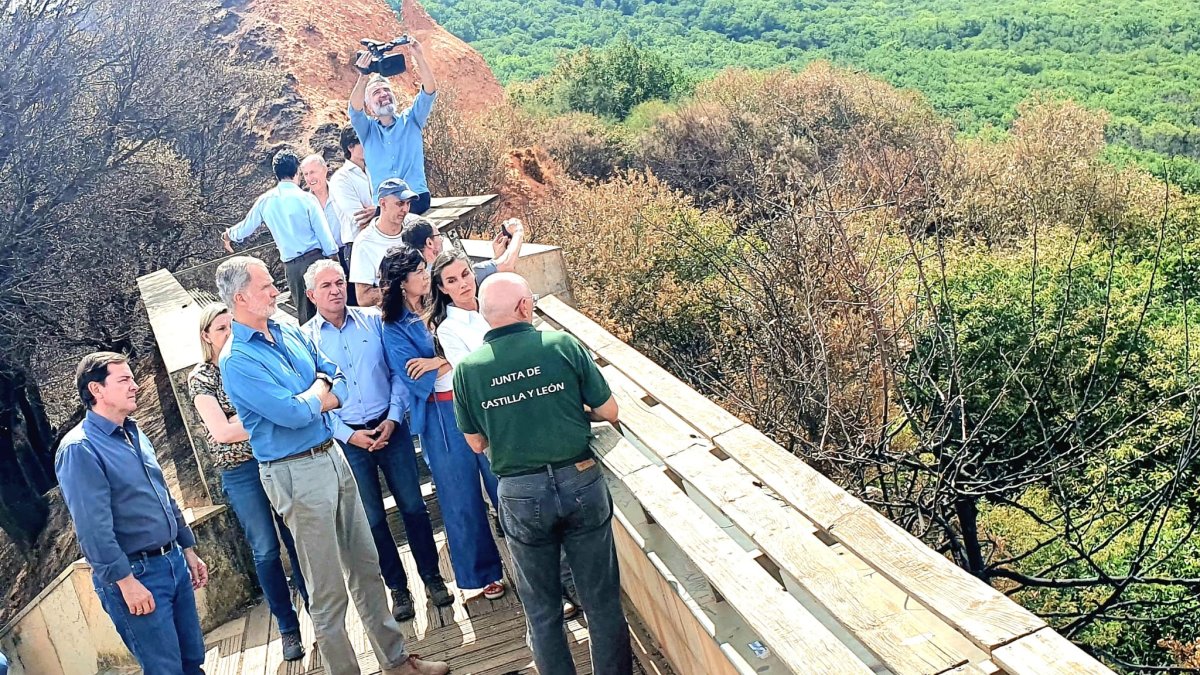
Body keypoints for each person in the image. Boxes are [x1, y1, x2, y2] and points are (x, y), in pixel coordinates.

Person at [215, 256, 447, 675]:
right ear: (241, 298)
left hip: (331, 455)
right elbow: (291, 413)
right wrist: (319, 393)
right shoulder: (237, 361)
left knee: (367, 568)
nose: (275, 291)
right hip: (294, 473)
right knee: (327, 592)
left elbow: (332, 373)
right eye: (267, 286)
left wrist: (318, 392)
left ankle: (397, 662)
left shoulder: (286, 329)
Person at [452, 273, 632, 675]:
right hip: (579, 477)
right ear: (523, 308)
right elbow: (609, 411)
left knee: (542, 608)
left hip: (519, 492)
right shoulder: (561, 345)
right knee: (601, 601)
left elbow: (476, 443)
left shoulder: (467, 370)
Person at [429, 254, 580, 622]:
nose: (463, 284)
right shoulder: (448, 328)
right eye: (451, 281)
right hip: (500, 431)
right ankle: (548, 597)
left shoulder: (493, 300)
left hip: (535, 418)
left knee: (551, 514)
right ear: (442, 289)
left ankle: (571, 585)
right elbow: (474, 375)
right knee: (521, 520)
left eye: (465, 274)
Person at [300, 260, 453, 621]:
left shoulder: (373, 321)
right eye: (326, 286)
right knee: (371, 519)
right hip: (349, 439)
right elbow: (312, 397)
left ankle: (432, 577)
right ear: (310, 295)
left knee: (414, 507)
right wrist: (349, 433)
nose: (336, 290)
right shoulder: (305, 340)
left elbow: (398, 373)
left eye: (340, 282)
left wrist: (393, 417)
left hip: (391, 427)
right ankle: (398, 589)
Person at [56, 352, 211, 675]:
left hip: (173, 564)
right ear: (96, 390)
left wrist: (188, 549)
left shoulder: (133, 431)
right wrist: (126, 583)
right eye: (124, 380)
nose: (136, 386)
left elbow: (162, 495)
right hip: (137, 575)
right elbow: (93, 529)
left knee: (192, 661)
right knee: (165, 670)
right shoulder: (80, 448)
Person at [377, 246, 507, 602]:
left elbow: (473, 350)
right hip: (439, 412)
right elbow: (413, 377)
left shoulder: (445, 302)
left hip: (478, 401)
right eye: (417, 271)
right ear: (401, 283)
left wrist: (440, 361)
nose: (424, 274)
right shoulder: (393, 326)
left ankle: (531, 558)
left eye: (424, 269)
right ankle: (481, 573)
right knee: (458, 493)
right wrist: (446, 362)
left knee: (502, 481)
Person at [188, 304, 308, 662]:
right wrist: (264, 413)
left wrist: (248, 416)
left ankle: (317, 607)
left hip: (275, 457)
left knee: (296, 535)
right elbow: (221, 432)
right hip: (240, 472)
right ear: (206, 336)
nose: (227, 333)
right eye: (219, 328)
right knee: (266, 548)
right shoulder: (203, 378)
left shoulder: (248, 359)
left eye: (230, 325)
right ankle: (288, 627)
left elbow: (270, 409)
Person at [222, 148, 339, 324]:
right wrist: (335, 261)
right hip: (315, 260)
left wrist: (228, 235)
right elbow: (326, 238)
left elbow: (245, 228)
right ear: (297, 172)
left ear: (276, 174)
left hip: (291, 267)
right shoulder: (306, 199)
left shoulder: (265, 201)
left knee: (306, 316)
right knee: (330, 308)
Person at [348, 37, 438, 213]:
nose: (383, 94)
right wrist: (363, 77)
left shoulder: (411, 119)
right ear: (369, 105)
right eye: (376, 92)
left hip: (415, 198)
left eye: (386, 90)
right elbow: (354, 110)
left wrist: (419, 56)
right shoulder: (368, 131)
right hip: (384, 205)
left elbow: (429, 91)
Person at [349, 177, 419, 307]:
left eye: (408, 203)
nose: (405, 209)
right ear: (383, 203)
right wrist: (406, 290)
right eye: (400, 203)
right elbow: (363, 298)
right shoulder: (365, 243)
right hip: (391, 314)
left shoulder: (414, 226)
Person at [329, 126, 378, 304]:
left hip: (382, 240)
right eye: (363, 142)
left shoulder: (374, 170)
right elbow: (360, 217)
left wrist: (377, 210)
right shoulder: (341, 179)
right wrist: (381, 210)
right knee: (368, 303)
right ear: (351, 147)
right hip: (358, 245)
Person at [401, 217, 525, 287]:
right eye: (439, 235)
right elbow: (507, 265)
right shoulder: (448, 270)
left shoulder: (410, 280)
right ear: (429, 243)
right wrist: (518, 232)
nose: (442, 240)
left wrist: (497, 257)